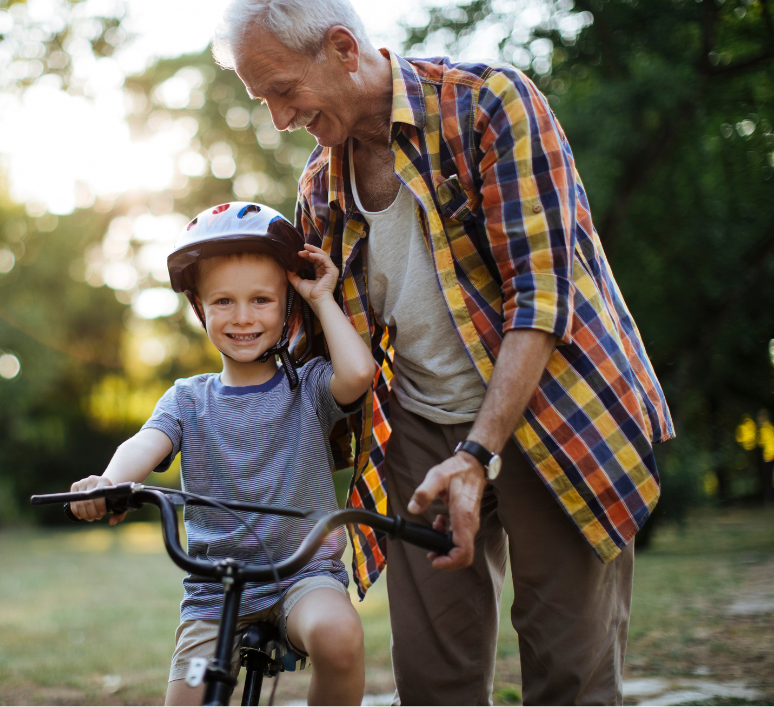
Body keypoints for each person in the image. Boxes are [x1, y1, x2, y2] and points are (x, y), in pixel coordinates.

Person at [213, 1, 675, 704]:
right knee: (432, 682)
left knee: (570, 673)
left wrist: (478, 452)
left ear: (341, 48)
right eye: (264, 100)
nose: (280, 119)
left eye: (283, 91)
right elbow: (320, 350)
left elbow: (541, 297)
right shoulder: (320, 187)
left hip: (550, 408)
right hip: (418, 428)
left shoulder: (489, 105)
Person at [69, 202, 376, 706]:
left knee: (339, 636)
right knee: (189, 695)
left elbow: (360, 374)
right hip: (214, 593)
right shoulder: (189, 399)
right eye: (223, 302)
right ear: (199, 309)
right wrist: (109, 482)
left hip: (304, 576)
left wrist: (321, 297)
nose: (243, 317)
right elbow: (144, 443)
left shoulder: (311, 385)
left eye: (262, 300)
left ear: (287, 305)